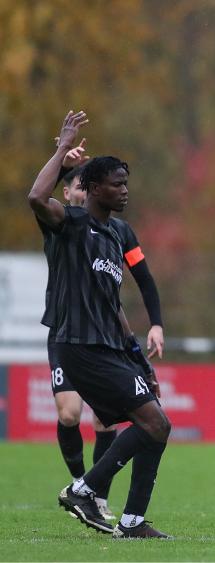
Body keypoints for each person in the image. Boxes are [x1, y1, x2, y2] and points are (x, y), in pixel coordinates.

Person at [28, 110, 173, 538]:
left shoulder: (118, 235)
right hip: (79, 346)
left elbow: (119, 303)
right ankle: (84, 489)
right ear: (93, 188)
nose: (125, 191)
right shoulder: (68, 224)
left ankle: (131, 520)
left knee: (157, 425)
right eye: (117, 184)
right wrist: (61, 150)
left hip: (111, 346)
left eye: (126, 183)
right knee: (153, 423)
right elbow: (37, 197)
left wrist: (141, 355)